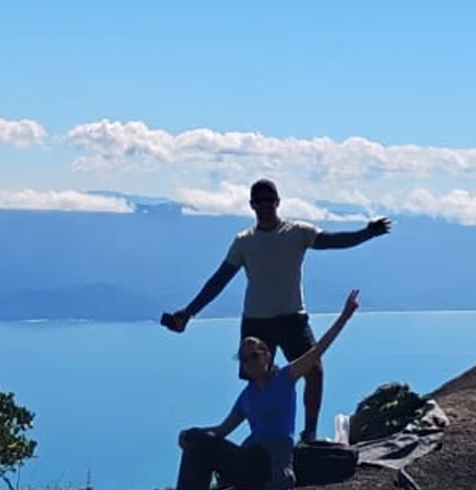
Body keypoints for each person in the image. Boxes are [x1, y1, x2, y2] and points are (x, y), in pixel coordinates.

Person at [162, 178, 390, 443]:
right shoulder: (244, 242)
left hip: (293, 318)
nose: (264, 206)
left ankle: (310, 434)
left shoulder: (297, 232)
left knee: (315, 370)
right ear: (251, 205)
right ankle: (261, 439)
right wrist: (188, 313)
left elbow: (333, 240)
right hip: (257, 321)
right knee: (258, 382)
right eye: (259, 202)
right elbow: (219, 280)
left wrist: (367, 233)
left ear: (278, 202)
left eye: (269, 201)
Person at [174, 288, 361, 490]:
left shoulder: (285, 378)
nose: (250, 362)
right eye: (245, 359)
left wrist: (344, 316)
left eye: (255, 355)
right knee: (195, 437)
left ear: (267, 355)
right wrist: (191, 436)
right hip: (249, 463)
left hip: (271, 467)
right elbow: (222, 430)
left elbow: (316, 351)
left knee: (208, 442)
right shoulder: (246, 396)